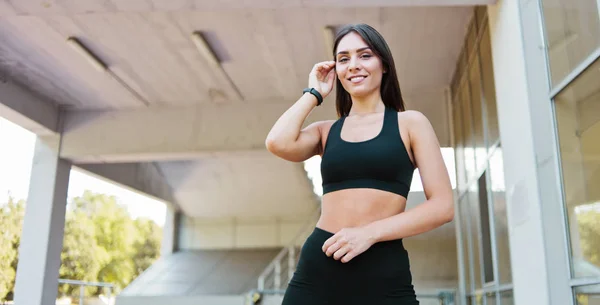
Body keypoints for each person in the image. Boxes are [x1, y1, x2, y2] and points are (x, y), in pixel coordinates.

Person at [265, 23, 454, 305]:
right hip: (319, 270)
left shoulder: (411, 123)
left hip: (383, 271)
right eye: (344, 59)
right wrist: (314, 93)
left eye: (365, 55)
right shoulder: (326, 132)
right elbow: (277, 142)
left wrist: (368, 233)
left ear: (384, 64)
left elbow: (442, 206)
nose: (353, 65)